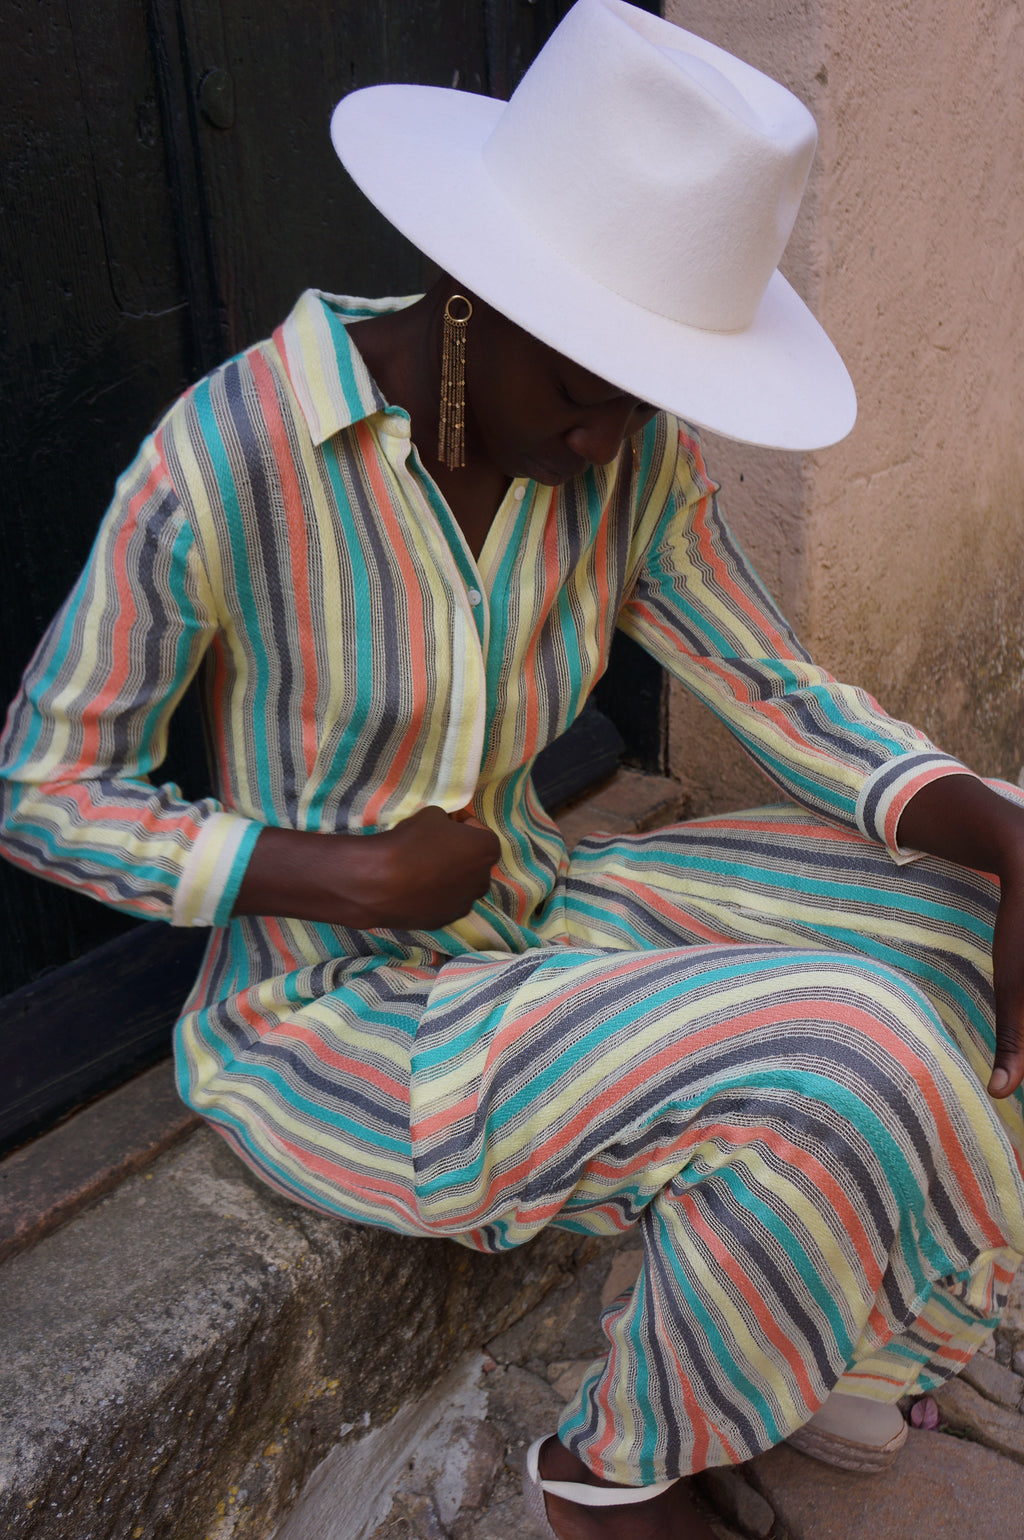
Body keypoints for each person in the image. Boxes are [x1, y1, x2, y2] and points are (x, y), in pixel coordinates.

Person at [2, 2, 1023, 1536]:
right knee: (840, 1057)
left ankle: (847, 1335)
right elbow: (41, 788)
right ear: (473, 295)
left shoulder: (620, 462)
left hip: (547, 911)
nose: (614, 438)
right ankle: (611, 1484)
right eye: (588, 388)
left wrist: (1004, 835)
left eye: (647, 399)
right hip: (343, 1014)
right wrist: (328, 869)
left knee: (966, 907)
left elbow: (765, 677)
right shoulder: (234, 456)